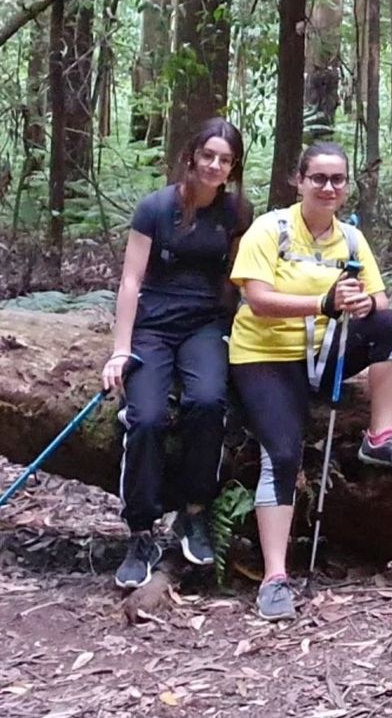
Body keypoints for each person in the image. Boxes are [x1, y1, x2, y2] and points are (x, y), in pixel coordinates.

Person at [230, 142, 392, 621]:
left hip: (324, 356)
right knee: (282, 455)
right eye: (318, 178)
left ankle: (380, 437)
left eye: (337, 179)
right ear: (298, 181)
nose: (328, 187)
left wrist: (364, 304)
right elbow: (257, 299)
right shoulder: (270, 229)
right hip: (265, 357)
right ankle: (275, 577)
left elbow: (380, 301)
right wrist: (323, 303)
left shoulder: (351, 239)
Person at [103, 119, 251, 589]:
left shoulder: (236, 213)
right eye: (208, 155)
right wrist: (120, 350)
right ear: (191, 156)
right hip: (153, 327)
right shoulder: (156, 208)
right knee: (145, 418)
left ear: (233, 168)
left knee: (206, 402)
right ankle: (140, 532)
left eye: (225, 160)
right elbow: (131, 281)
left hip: (205, 326)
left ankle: (194, 512)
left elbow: (239, 278)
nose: (214, 165)